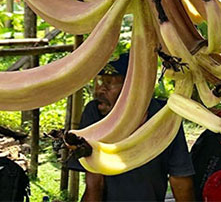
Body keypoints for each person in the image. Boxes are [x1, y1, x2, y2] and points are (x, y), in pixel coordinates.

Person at [68, 53, 196, 202]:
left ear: (135, 86)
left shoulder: (164, 115)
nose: (99, 90)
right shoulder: (94, 113)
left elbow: (180, 179)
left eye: (108, 83)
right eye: (99, 82)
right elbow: (94, 181)